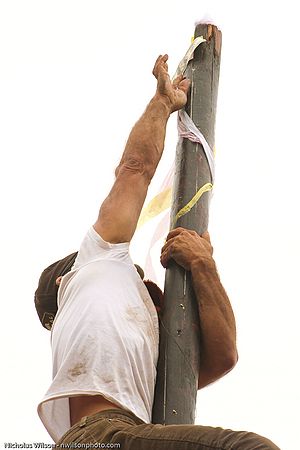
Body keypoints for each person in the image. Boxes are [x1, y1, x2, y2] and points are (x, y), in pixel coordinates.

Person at [36, 54, 280, 449]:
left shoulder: (137, 349)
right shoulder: (97, 260)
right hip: (100, 436)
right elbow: (135, 169)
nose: (136, 271)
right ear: (66, 281)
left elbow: (221, 359)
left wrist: (204, 267)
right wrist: (162, 104)